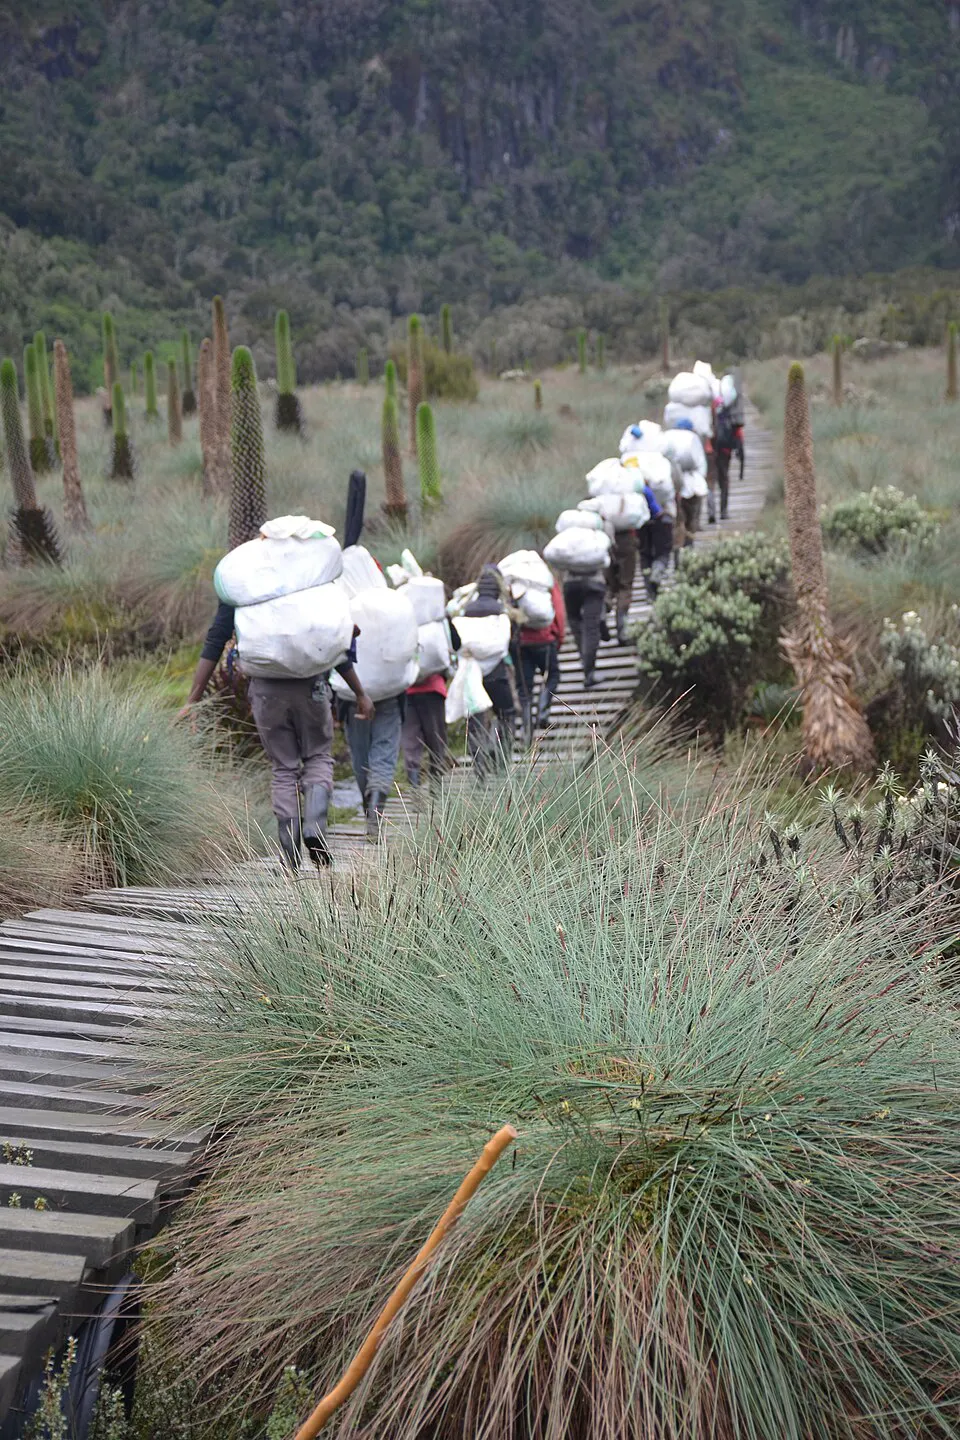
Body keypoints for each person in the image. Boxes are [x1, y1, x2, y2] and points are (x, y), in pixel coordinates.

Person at [180, 598, 373, 871]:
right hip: (311, 684)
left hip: (266, 689)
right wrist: (360, 692)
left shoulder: (242, 585)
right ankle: (315, 827)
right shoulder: (307, 576)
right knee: (318, 756)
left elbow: (215, 640)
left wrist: (193, 700)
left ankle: (290, 850)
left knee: (283, 767)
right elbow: (330, 642)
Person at [463, 565, 516, 775]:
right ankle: (502, 756)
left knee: (476, 720)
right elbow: (507, 643)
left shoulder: (468, 610)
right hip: (496, 673)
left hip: (473, 674)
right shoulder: (500, 610)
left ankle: (479, 766)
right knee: (506, 713)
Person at [340, 689, 405, 842]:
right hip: (389, 693)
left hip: (352, 698)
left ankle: (369, 810)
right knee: (384, 757)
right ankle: (376, 807)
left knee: (360, 757)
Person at [558, 525, 613, 689]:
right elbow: (608, 558)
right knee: (591, 627)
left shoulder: (568, 536)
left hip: (570, 585)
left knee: (575, 624)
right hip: (594, 584)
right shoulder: (597, 536)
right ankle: (589, 673)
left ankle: (585, 664)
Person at [512, 578, 565, 745]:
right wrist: (559, 637)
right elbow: (558, 610)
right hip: (544, 640)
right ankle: (543, 712)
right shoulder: (546, 582)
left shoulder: (513, 585)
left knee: (524, 689)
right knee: (553, 675)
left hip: (522, 644)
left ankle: (527, 733)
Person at [713, 399, 744, 521]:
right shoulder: (732, 418)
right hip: (725, 453)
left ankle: (710, 512)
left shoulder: (710, 418)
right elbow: (740, 439)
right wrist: (741, 470)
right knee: (724, 482)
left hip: (711, 453)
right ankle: (723, 511)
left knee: (710, 483)